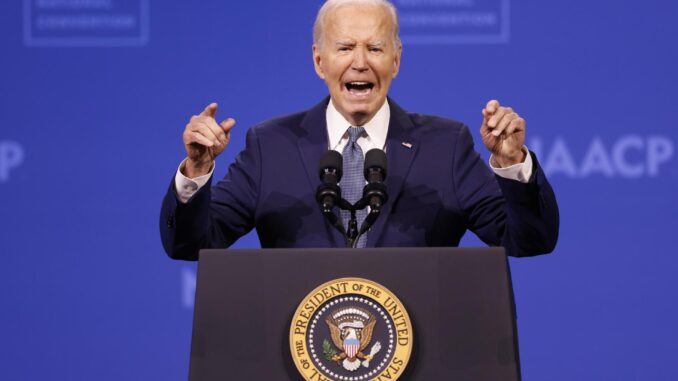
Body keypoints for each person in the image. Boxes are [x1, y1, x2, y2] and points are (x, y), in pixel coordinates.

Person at [160, 0, 559, 260]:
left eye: (375, 48)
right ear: (319, 62)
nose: (360, 63)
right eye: (345, 47)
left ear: (396, 61)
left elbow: (528, 241)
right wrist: (195, 175)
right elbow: (192, 245)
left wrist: (513, 165)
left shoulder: (445, 146)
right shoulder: (271, 145)